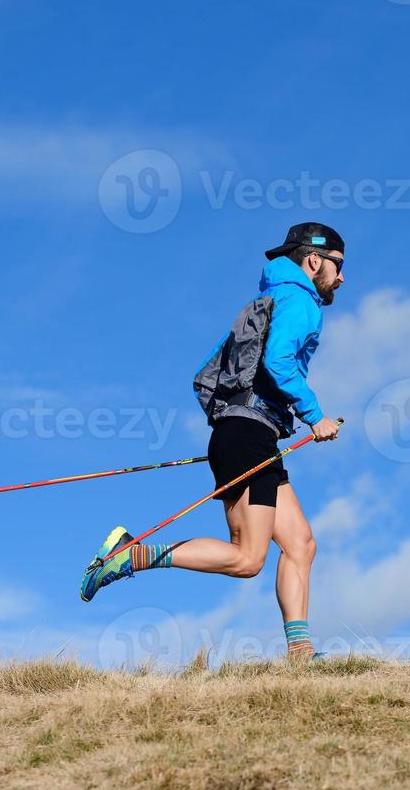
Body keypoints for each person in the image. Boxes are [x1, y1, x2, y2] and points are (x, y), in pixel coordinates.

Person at [80, 222, 346, 662]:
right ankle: (132, 555)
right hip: (249, 435)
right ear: (313, 260)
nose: (341, 276)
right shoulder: (301, 301)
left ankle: (300, 651)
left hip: (246, 432)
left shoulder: (274, 297)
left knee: (300, 543)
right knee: (247, 559)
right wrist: (315, 418)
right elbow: (280, 361)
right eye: (337, 265)